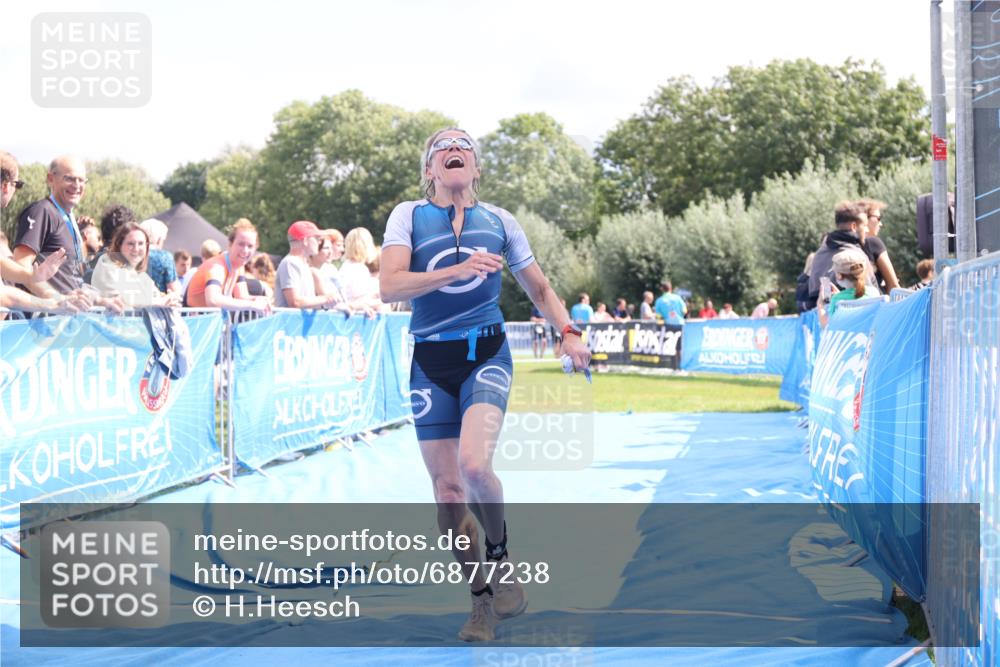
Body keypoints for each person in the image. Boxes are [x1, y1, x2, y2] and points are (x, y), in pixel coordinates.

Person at [380, 128, 590, 642]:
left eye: (463, 147)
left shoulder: (500, 221)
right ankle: (480, 601)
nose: (454, 150)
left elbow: (539, 287)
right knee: (448, 496)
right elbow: (390, 285)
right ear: (429, 170)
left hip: (486, 353)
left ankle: (500, 557)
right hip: (431, 359)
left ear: (475, 167)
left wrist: (568, 332)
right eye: (442, 148)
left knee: (475, 466)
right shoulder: (408, 216)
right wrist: (454, 271)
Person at [11, 155, 122, 313]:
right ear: (51, 179)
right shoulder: (41, 211)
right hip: (44, 321)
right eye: (69, 178)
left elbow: (72, 281)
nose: (76, 185)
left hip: (69, 320)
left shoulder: (69, 219)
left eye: (81, 180)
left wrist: (102, 300)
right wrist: (56, 300)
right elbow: (21, 267)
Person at [183, 218, 270, 314]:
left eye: (250, 246)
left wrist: (261, 299)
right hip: (195, 320)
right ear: (230, 244)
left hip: (212, 319)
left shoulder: (239, 267)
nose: (245, 250)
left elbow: (242, 297)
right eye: (241, 244)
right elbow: (212, 300)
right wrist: (252, 305)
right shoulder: (217, 267)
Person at [91, 223, 181, 308]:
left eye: (141, 243)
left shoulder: (138, 273)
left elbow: (155, 296)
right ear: (119, 245)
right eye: (130, 244)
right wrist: (161, 302)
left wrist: (169, 299)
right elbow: (123, 300)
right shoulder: (107, 263)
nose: (136, 249)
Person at [807, 201, 873, 308]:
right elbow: (870, 296)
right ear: (854, 226)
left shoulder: (820, 253)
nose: (867, 230)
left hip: (824, 313)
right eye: (865, 225)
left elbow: (823, 298)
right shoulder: (856, 255)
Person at [273, 220, 344, 309]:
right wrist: (326, 298)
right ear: (305, 241)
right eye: (316, 238)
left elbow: (306, 303)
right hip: (290, 318)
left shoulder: (303, 265)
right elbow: (295, 302)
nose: (319, 242)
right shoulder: (290, 263)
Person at [823, 247, 881, 320]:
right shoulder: (874, 292)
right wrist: (840, 294)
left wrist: (820, 305)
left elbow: (830, 324)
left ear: (839, 276)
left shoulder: (836, 299)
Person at [857, 198, 900, 293]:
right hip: (873, 300)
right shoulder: (873, 243)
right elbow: (893, 286)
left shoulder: (842, 244)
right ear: (865, 218)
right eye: (878, 218)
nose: (880, 224)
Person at [140, 218, 181, 295]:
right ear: (159, 240)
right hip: (159, 300)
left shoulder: (133, 254)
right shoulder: (165, 257)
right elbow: (173, 288)